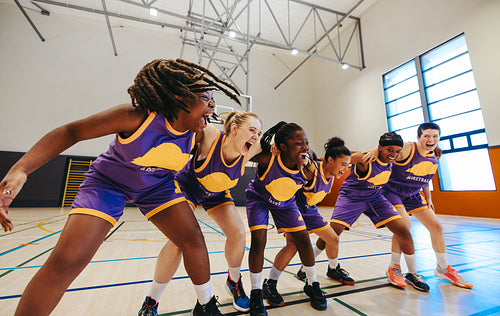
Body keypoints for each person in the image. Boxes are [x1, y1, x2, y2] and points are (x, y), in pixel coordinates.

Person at [0, 59, 242, 316]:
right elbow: (72, 131)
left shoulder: (201, 132)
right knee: (68, 260)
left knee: (193, 238)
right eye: (207, 97)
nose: (213, 105)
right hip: (108, 184)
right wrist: (21, 169)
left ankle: (205, 306)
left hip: (157, 186)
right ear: (179, 96)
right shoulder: (136, 116)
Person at [138, 111, 263, 316]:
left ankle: (233, 281)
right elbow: (185, 121)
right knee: (179, 241)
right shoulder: (211, 136)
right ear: (234, 128)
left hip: (217, 193)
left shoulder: (253, 148)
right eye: (251, 130)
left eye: (258, 132)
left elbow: (277, 146)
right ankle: (152, 299)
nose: (255, 136)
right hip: (188, 187)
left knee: (239, 233)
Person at [316, 132, 430, 292]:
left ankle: (412, 273)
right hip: (352, 197)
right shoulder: (366, 159)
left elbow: (411, 150)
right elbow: (346, 159)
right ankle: (319, 266)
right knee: (332, 234)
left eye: (397, 151)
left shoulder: (394, 160)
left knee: (404, 230)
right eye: (389, 150)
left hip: (375, 198)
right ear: (380, 148)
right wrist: (368, 153)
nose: (394, 154)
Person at [245, 121, 327, 316]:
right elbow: (245, 150)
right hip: (259, 199)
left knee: (304, 240)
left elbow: (310, 179)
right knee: (259, 240)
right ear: (282, 147)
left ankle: (312, 283)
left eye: (306, 142)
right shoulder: (268, 158)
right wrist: (266, 143)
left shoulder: (308, 160)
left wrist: (304, 165)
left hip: (286, 203)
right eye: (299, 143)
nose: (305, 147)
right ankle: (256, 292)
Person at [261, 137, 354, 308]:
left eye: (348, 165)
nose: (346, 169)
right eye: (343, 164)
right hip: (293, 208)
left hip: (310, 211)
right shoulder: (313, 168)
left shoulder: (333, 174)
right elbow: (305, 154)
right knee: (292, 246)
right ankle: (270, 283)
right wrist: (277, 147)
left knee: (333, 239)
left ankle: (333, 269)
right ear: (330, 160)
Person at [381, 123, 473, 289]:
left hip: (414, 194)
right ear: (419, 138)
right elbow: (385, 149)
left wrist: (429, 198)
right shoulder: (408, 148)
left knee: (436, 227)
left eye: (435, 136)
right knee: (404, 225)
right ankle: (394, 267)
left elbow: (425, 178)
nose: (431, 139)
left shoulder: (434, 156)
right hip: (392, 191)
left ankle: (443, 268)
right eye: (427, 136)